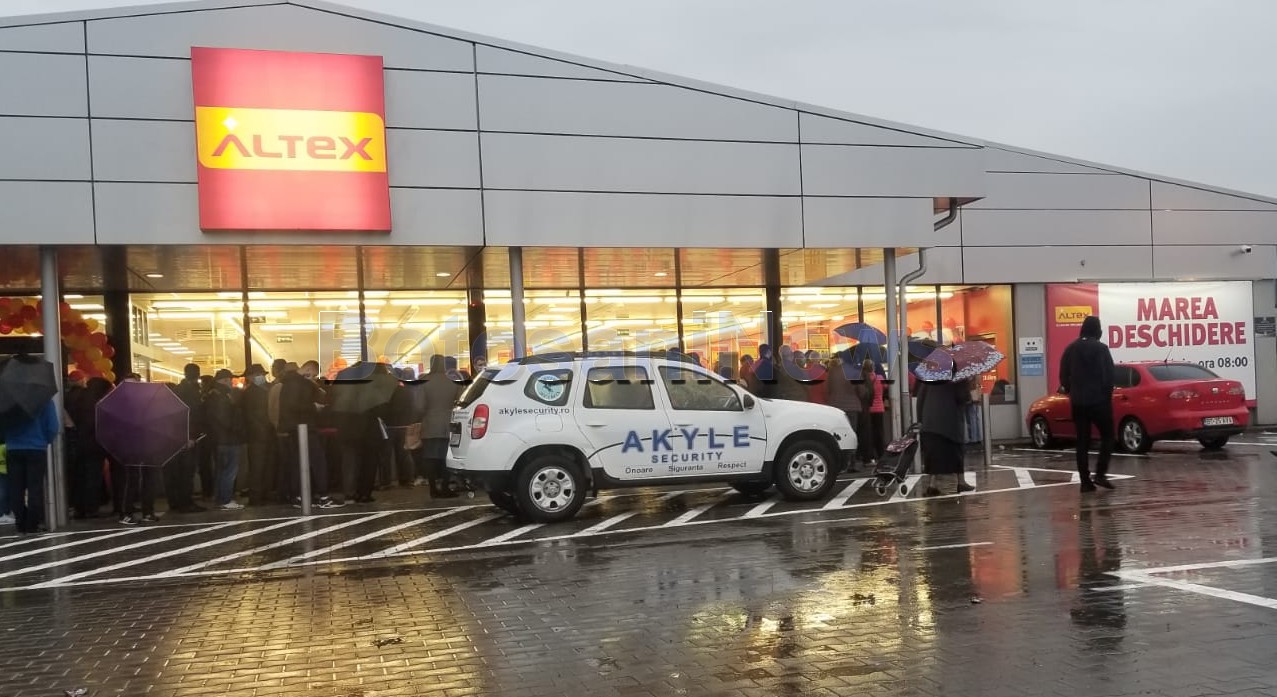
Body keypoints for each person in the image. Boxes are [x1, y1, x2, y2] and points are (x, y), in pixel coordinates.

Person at [1060, 315, 1116, 492]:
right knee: (1108, 436)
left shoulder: (1070, 349)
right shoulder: (1101, 349)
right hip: (1099, 401)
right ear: (1097, 330)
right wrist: (1106, 396)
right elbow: (1109, 376)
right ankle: (1100, 474)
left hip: (1078, 402)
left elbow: (1063, 376)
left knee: (1082, 441)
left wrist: (1072, 391)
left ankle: (1085, 481)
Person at [280, 361, 341, 508]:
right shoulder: (297, 383)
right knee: (318, 460)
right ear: (307, 369)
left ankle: (298, 496)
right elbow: (294, 405)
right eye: (313, 375)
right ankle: (323, 496)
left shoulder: (289, 382)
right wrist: (314, 406)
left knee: (298, 462)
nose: (313, 378)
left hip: (295, 428)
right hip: (303, 427)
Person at [2, 386, 59, 533]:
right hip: (36, 448)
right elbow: (53, 427)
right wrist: (45, 440)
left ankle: (20, 521)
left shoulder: (8, 400)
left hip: (13, 448)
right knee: (35, 488)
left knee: (16, 488)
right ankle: (33, 523)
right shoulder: (44, 400)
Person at [916, 366, 974, 497]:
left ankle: (932, 485)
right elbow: (963, 397)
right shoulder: (959, 377)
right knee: (957, 452)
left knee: (934, 454)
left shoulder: (930, 376)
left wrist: (921, 419)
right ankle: (960, 481)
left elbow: (920, 398)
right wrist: (968, 384)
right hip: (950, 423)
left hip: (930, 422)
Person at [64, 376, 112, 519]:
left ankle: (79, 508)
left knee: (80, 476)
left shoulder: (77, 398)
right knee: (93, 477)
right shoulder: (99, 403)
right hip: (94, 445)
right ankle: (91, 507)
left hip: (77, 443)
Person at [420, 354, 462, 498]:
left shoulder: (424, 381)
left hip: (429, 423)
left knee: (430, 457)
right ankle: (445, 487)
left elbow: (420, 405)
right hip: (447, 423)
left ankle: (432, 488)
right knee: (446, 457)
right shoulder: (452, 382)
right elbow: (459, 401)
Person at [167, 364, 206, 513]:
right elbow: (191, 416)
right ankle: (186, 502)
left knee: (177, 472)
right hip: (187, 436)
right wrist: (190, 436)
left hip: (176, 437)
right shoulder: (191, 392)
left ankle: (176, 501)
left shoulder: (177, 390)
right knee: (187, 472)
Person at [205, 368, 245, 510]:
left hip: (219, 440)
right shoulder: (222, 396)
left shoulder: (213, 394)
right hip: (228, 440)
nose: (232, 383)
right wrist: (237, 428)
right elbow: (226, 419)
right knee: (229, 471)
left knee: (221, 471)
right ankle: (225, 499)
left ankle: (220, 499)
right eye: (230, 380)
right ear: (224, 380)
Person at [825, 351, 866, 472]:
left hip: (835, 407)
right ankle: (851, 462)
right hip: (852, 407)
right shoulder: (855, 372)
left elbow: (828, 389)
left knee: (837, 435)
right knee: (851, 434)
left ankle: (838, 462)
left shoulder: (833, 371)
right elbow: (862, 392)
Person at [241, 364, 275, 506]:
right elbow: (250, 416)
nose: (261, 377)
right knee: (257, 466)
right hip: (257, 435)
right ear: (250, 377)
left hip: (266, 433)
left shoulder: (267, 389)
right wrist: (262, 429)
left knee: (267, 466)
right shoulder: (249, 393)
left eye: (261, 374)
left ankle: (264, 493)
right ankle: (256, 496)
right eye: (257, 375)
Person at [859, 359, 888, 465]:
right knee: (879, 432)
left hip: (867, 410)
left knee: (868, 433)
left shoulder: (863, 379)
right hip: (879, 409)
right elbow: (886, 387)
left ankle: (871, 455)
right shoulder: (879, 378)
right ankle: (881, 454)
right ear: (873, 368)